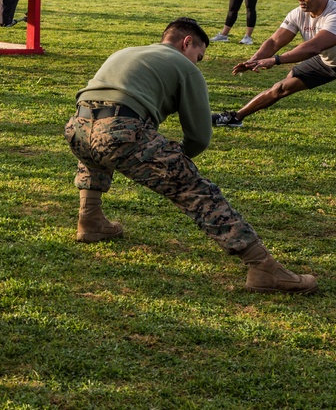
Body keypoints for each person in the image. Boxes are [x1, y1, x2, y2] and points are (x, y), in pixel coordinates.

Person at [67, 17, 317, 294]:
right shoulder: (185, 67)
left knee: (97, 148)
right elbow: (199, 135)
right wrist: (177, 162)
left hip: (77, 127)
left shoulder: (128, 51)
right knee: (197, 191)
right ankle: (263, 268)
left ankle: (90, 220)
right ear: (187, 43)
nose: (197, 62)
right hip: (120, 130)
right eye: (199, 56)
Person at [211, 0, 336, 156]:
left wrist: (275, 60)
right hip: (325, 60)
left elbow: (314, 46)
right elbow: (275, 41)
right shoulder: (298, 13)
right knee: (281, 87)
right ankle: (235, 117)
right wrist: (253, 61)